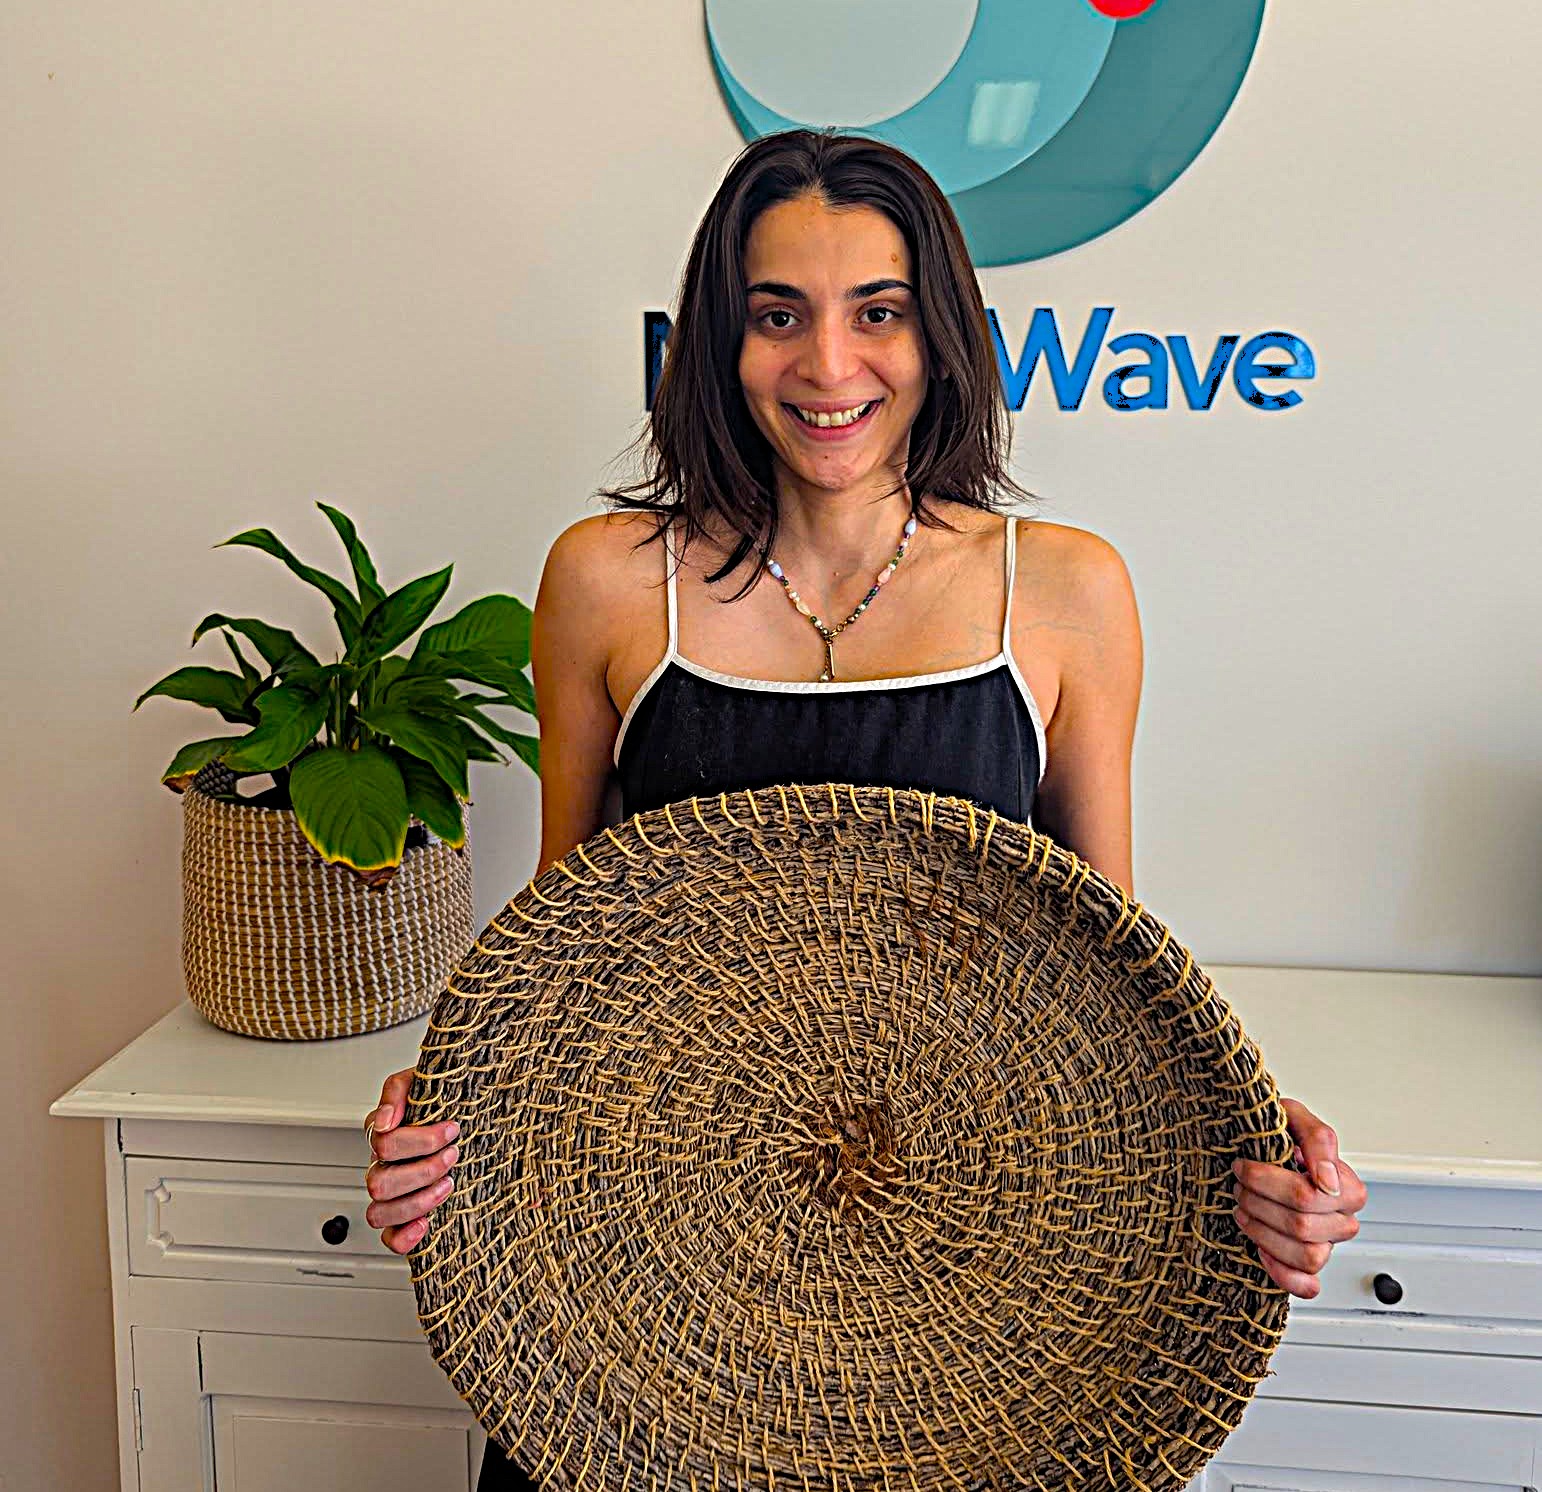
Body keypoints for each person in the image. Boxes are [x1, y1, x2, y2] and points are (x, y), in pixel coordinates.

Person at [361, 129, 1368, 1488]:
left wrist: (1261, 1151)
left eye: (877, 312)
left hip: (949, 1321)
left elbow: (1112, 992)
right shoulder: (607, 581)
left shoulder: (1062, 590)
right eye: (778, 315)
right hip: (637, 1309)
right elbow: (557, 960)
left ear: (938, 334)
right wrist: (439, 1122)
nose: (829, 366)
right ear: (719, 342)